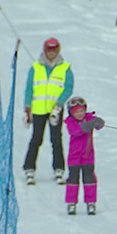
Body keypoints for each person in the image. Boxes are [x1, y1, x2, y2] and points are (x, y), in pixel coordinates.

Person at [22, 37, 74, 185]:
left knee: (56, 138)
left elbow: (68, 88)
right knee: (36, 139)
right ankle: (29, 168)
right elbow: (29, 89)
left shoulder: (65, 68)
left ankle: (59, 168)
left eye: (54, 50)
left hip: (55, 110)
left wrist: (59, 104)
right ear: (45, 50)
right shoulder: (36, 68)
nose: (51, 53)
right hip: (38, 109)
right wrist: (27, 108)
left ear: (58, 50)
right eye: (49, 50)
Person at [63, 96, 104, 216]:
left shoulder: (89, 118)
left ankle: (90, 202)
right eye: (77, 112)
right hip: (74, 157)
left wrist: (98, 122)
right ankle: (71, 203)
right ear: (71, 113)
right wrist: (88, 125)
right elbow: (76, 131)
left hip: (88, 156)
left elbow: (99, 124)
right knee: (73, 179)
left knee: (89, 178)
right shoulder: (70, 122)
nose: (80, 114)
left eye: (82, 111)